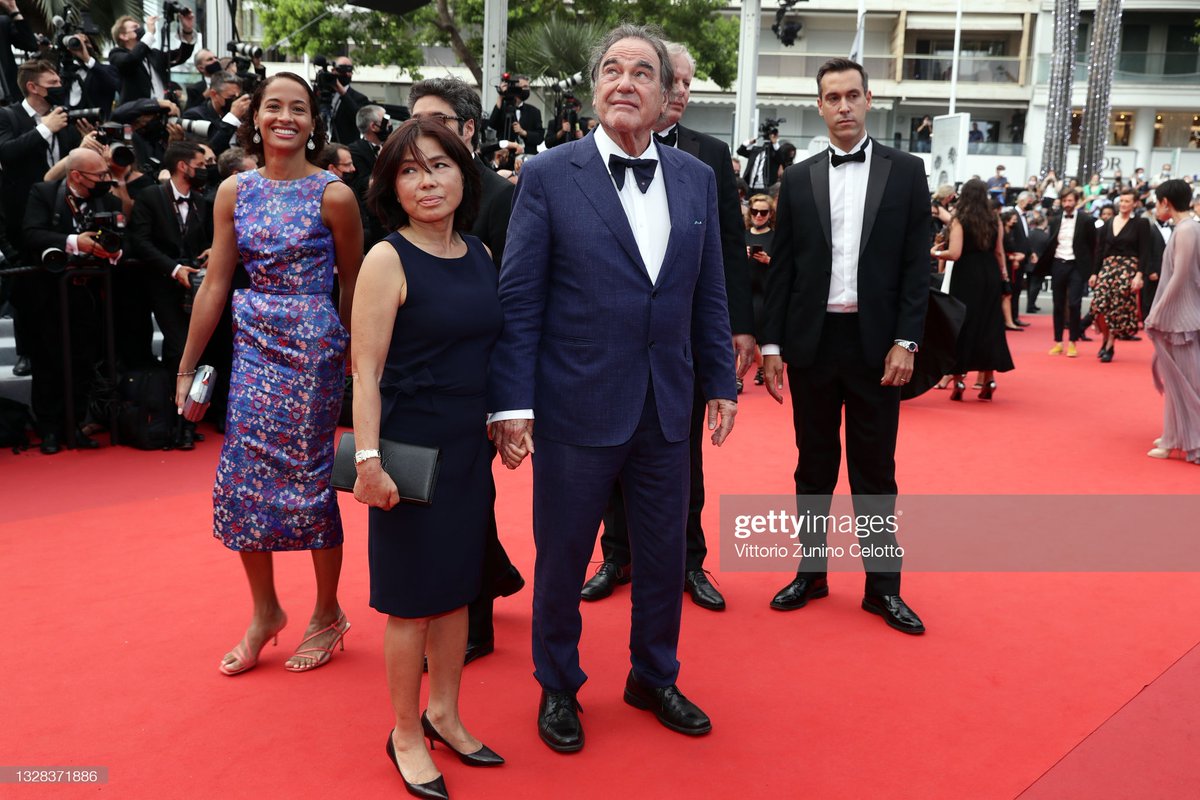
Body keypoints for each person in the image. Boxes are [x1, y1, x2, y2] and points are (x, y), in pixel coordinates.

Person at [488, 24, 737, 753]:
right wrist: (513, 404)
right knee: (564, 555)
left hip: (667, 405)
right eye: (612, 71)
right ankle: (558, 684)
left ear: (667, 95)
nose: (625, 82)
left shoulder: (696, 177)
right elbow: (520, 299)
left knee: (663, 555)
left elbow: (709, 292)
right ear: (595, 88)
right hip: (575, 403)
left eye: (642, 72)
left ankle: (654, 675)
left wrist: (720, 381)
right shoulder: (547, 174)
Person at [173, 73, 363, 676]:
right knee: (242, 479)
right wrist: (187, 365)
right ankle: (265, 612)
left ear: (313, 122)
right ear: (254, 118)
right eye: (273, 107)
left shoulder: (334, 194)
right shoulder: (235, 190)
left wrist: (355, 356)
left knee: (309, 479)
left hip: (312, 350)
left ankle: (327, 612)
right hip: (253, 345)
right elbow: (216, 283)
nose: (285, 117)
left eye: (298, 108)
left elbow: (353, 282)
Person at [351, 117, 504, 800]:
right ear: (392, 187)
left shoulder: (480, 252)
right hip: (409, 453)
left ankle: (445, 713)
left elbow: (487, 352)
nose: (427, 182)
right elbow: (365, 371)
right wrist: (368, 461)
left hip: (469, 449)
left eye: (439, 165)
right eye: (410, 171)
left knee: (457, 592)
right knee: (412, 601)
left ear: (463, 175)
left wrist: (503, 421)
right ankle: (406, 732)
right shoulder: (387, 259)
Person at [583, 41, 754, 612]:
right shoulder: (583, 159)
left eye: (684, 83)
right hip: (607, 356)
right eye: (671, 79)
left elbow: (725, 254)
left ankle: (689, 561)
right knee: (610, 460)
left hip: (678, 349)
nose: (678, 91)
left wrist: (738, 330)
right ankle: (617, 556)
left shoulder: (708, 160)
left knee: (684, 466)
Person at [762, 57, 929, 635]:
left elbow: (917, 268)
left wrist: (907, 340)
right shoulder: (799, 178)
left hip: (877, 346)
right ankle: (811, 573)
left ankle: (883, 588)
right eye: (832, 97)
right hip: (812, 344)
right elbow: (783, 268)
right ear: (819, 106)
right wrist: (771, 344)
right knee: (812, 468)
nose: (843, 106)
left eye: (852, 95)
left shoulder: (906, 172)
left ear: (868, 99)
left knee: (875, 472)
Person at [408, 77, 524, 665]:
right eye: (415, 123)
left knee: (467, 499)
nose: (423, 134)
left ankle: (474, 622)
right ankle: (482, 581)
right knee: (425, 498)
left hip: (474, 375)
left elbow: (513, 299)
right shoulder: (404, 186)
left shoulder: (499, 196)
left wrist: (506, 399)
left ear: (470, 130)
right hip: (416, 372)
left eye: (438, 123)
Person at [22, 148, 124, 453]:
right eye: (99, 175)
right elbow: (31, 233)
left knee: (83, 361)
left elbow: (125, 238)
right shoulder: (44, 194)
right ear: (77, 176)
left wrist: (114, 251)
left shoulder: (108, 201)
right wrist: (74, 242)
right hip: (48, 294)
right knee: (48, 363)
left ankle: (75, 424)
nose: (105, 180)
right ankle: (50, 430)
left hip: (89, 295)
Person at [129, 141, 213, 449]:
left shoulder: (202, 202)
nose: (205, 170)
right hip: (161, 285)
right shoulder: (151, 196)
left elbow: (211, 238)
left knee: (187, 351)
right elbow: (139, 241)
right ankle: (176, 424)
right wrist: (174, 268)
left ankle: (184, 424)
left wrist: (214, 250)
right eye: (200, 164)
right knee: (180, 347)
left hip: (196, 287)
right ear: (182, 166)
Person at [932, 178, 1014, 400]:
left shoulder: (959, 219)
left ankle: (959, 380)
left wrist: (935, 252)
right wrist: (1004, 277)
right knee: (989, 325)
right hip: (990, 274)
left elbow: (954, 253)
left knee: (963, 326)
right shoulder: (994, 218)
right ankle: (989, 379)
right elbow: (999, 252)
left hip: (966, 275)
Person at [1145, 179, 1200, 464]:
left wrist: (1159, 310)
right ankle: (1176, 434)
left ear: (1166, 202)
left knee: (1186, 381)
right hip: (1181, 316)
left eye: (1157, 202)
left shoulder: (1188, 229)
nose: (1156, 207)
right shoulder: (1187, 228)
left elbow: (1180, 275)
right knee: (1180, 379)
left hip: (1182, 318)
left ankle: (1184, 439)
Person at [1092, 188, 1152, 362]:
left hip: (1128, 267)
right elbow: (1099, 250)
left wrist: (1139, 275)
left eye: (1127, 201)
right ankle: (1105, 338)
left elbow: (1145, 251)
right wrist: (1094, 273)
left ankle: (1110, 345)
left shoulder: (1141, 223)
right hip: (1108, 266)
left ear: (1135, 204)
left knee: (1117, 307)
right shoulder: (1108, 222)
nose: (1124, 204)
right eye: (1122, 201)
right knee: (1099, 305)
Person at [1045, 188, 1097, 357]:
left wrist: (1093, 271)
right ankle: (1058, 341)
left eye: (1070, 200)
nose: (1067, 204)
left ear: (1076, 201)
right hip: (1058, 263)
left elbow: (1093, 246)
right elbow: (1051, 242)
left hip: (1077, 265)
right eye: (1064, 201)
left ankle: (1073, 341)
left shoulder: (1086, 220)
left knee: (1074, 304)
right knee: (1058, 304)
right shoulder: (1055, 220)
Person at [108, 13, 195, 103]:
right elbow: (131, 61)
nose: (140, 29)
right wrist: (150, 34)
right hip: (139, 110)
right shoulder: (116, 54)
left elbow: (181, 55)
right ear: (124, 36)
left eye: (139, 26)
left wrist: (187, 30)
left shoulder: (153, 54)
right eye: (135, 27)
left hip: (165, 108)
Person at [746, 194, 775, 386]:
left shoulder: (776, 236)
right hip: (745, 290)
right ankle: (759, 369)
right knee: (746, 331)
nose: (758, 215)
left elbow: (785, 266)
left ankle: (759, 368)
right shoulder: (742, 235)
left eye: (763, 212)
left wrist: (768, 260)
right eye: (755, 211)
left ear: (770, 214)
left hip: (766, 291)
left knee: (757, 333)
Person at [487, 74, 543, 152]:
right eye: (524, 86)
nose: (527, 89)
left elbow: (540, 137)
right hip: (505, 154)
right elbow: (492, 124)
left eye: (528, 87)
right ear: (514, 88)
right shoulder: (502, 109)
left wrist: (524, 132)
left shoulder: (534, 111)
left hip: (527, 154)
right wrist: (501, 95)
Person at [328, 56, 369, 144]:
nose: (347, 74)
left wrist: (343, 93)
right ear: (333, 71)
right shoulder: (325, 94)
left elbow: (359, 119)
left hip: (346, 147)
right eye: (343, 70)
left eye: (350, 70)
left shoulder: (360, 98)